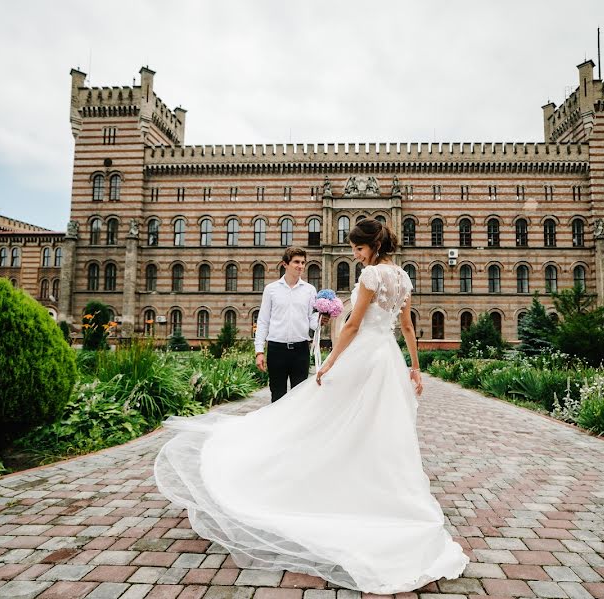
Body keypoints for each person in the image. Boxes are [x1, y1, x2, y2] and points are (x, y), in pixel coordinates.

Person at [154, 219, 469, 593]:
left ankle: (325, 481)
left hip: (362, 356)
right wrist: (415, 369)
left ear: (371, 246)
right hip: (387, 360)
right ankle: (371, 491)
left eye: (357, 248)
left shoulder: (370, 277)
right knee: (380, 429)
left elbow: (351, 327)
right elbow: (407, 328)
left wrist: (331, 362)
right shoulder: (403, 278)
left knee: (327, 419)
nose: (354, 254)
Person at [253, 247, 322, 402]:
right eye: (296, 262)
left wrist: (321, 320)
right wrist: (259, 351)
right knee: (277, 396)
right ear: (285, 264)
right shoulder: (271, 290)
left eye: (303, 262)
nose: (301, 266)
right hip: (277, 350)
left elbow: (312, 322)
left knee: (300, 398)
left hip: (301, 350)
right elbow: (263, 321)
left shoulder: (310, 290)